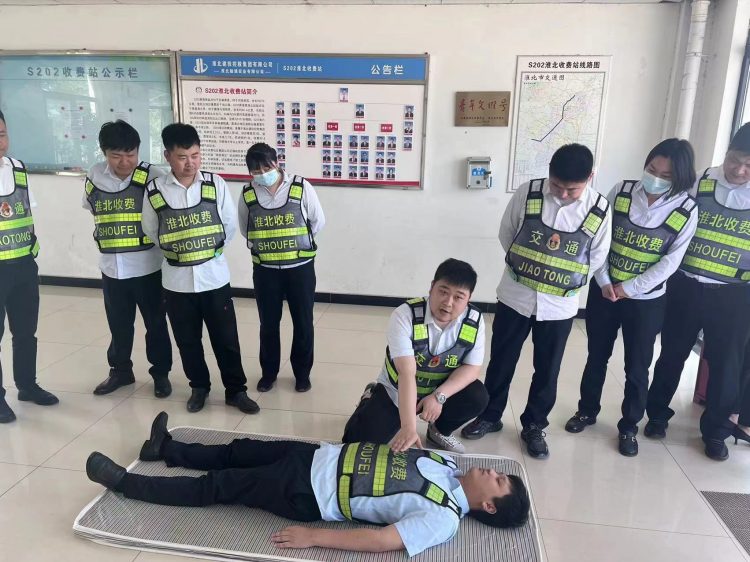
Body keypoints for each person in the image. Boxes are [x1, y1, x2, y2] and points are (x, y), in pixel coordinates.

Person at [85, 411, 530, 557]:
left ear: (489, 506)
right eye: (498, 471)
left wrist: (315, 537)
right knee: (237, 449)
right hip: (316, 455)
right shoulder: (445, 463)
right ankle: (165, 449)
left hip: (306, 491)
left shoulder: (442, 519)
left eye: (498, 482)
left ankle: (126, 483)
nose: (491, 472)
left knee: (219, 485)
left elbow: (383, 541)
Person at [462, 144, 612, 459]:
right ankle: (490, 415)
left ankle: (534, 425)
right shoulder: (528, 193)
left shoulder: (599, 208)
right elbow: (507, 233)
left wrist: (557, 279)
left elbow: (596, 257)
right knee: (501, 361)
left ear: (589, 178)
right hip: (516, 297)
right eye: (556, 185)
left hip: (559, 307)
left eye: (572, 189)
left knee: (547, 369)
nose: (563, 194)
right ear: (549, 173)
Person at [564, 139, 698, 456]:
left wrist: (629, 289)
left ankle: (629, 426)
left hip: (646, 301)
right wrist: (605, 281)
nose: (655, 178)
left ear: (679, 177)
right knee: (596, 356)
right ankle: (587, 411)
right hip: (604, 291)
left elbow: (670, 263)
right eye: (651, 169)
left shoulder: (686, 210)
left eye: (665, 175)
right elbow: (599, 239)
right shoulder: (622, 191)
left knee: (637, 367)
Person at [645, 123, 750, 461]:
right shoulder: (700, 183)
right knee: (671, 354)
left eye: (749, 165)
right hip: (686, 286)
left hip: (734, 294)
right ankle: (657, 415)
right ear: (726, 152)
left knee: (725, 365)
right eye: (734, 160)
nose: (739, 170)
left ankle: (716, 431)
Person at [141, 123, 258, 415]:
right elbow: (152, 230)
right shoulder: (155, 190)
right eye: (182, 157)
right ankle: (199, 388)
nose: (190, 163)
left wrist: (203, 252)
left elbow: (228, 226)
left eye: (195, 155)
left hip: (214, 278)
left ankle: (236, 390)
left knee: (226, 340)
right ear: (168, 156)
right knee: (188, 341)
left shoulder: (215, 184)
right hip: (177, 282)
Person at [343, 259, 489, 454]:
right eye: (443, 292)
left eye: (458, 297)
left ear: (468, 299)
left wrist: (439, 397)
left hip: (439, 390)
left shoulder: (474, 321)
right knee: (355, 443)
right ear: (431, 287)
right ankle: (370, 396)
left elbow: (472, 369)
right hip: (397, 391)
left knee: (477, 396)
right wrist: (409, 428)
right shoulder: (405, 315)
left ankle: (439, 431)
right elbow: (406, 373)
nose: (448, 302)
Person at [83, 120, 173, 398]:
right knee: (119, 326)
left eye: (130, 154)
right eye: (116, 155)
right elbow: (93, 209)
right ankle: (121, 371)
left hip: (148, 268)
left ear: (138, 150)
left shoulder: (154, 176)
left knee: (156, 325)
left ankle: (160, 374)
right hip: (112, 268)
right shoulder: (95, 175)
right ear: (104, 152)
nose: (124, 162)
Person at [239, 143, 325, 393]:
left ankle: (302, 374)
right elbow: (246, 228)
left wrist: (295, 244)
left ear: (277, 163)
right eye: (256, 170)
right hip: (265, 270)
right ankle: (269, 373)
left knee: (303, 322)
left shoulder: (300, 186)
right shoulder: (248, 193)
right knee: (268, 324)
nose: (262, 173)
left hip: (300, 268)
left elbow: (317, 221)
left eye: (266, 167)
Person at [0, 110, 57, 423]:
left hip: (23, 265)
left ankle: (27, 385)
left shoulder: (18, 169)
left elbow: (26, 212)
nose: (0, 143)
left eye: (2, 135)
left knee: (25, 331)